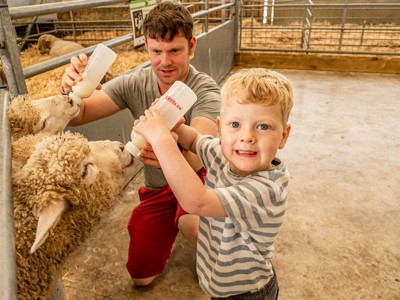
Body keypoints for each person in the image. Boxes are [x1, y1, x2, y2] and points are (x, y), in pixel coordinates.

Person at [61, 2, 221, 286]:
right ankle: (171, 225)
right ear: (146, 46)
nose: (165, 62)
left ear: (191, 45)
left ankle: (216, 246)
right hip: (160, 186)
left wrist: (165, 145)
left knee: (193, 225)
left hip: (200, 181)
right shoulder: (135, 82)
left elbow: (200, 156)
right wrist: (70, 91)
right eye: (156, 51)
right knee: (141, 277)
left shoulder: (205, 89)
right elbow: (80, 114)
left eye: (175, 50)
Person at [133, 68, 293, 299]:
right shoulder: (221, 153)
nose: (246, 137)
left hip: (246, 292)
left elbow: (196, 202)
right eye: (235, 125)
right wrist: (172, 125)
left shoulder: (267, 190)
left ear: (284, 136)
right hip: (220, 281)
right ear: (220, 127)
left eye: (263, 127)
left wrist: (161, 139)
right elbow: (194, 139)